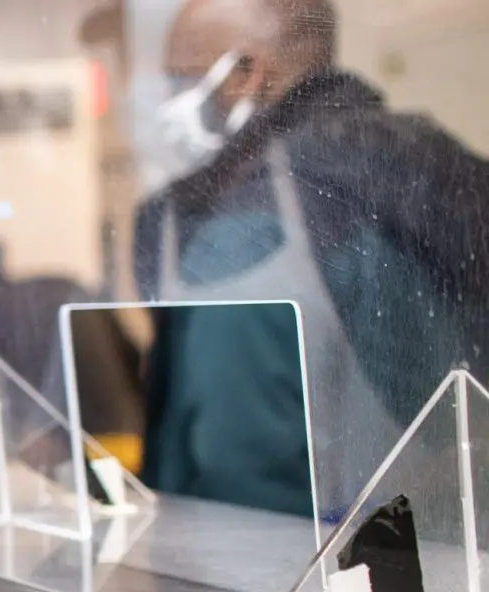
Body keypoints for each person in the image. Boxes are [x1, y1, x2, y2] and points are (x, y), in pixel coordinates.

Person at [133, 0, 489, 519]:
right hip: (448, 567)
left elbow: (233, 450)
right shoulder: (431, 161)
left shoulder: (249, 204)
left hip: (295, 574)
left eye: (179, 78)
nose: (170, 99)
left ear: (244, 72)